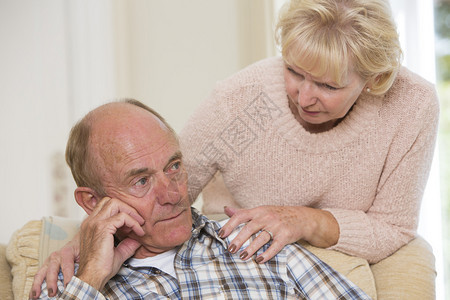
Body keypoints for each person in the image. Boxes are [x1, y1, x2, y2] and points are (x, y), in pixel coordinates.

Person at [31, 0, 439, 297]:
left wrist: (306, 221)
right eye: (293, 71)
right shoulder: (247, 103)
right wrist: (85, 256)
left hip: (272, 250)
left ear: (373, 80)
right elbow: (167, 182)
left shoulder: (409, 105)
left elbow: (395, 227)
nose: (303, 96)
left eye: (329, 85)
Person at [33, 100, 369, 299]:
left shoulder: (260, 246)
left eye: (174, 166)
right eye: (141, 181)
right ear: (93, 202)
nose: (174, 193)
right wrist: (92, 275)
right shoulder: (67, 285)